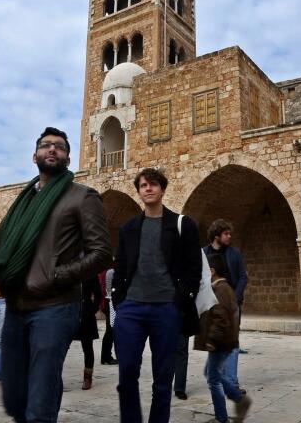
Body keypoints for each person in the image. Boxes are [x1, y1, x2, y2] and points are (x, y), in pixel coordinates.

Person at [0, 127, 111, 423]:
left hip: (54, 306)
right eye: (45, 145)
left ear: (68, 159)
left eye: (60, 147)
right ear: (35, 155)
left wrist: (57, 276)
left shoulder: (82, 197)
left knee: (39, 395)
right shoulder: (22, 202)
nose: (52, 149)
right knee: (15, 394)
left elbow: (102, 253)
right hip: (16, 305)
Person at [112, 167, 203, 423]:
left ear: (162, 189)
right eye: (143, 185)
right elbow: (119, 266)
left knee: (163, 378)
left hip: (166, 308)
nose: (148, 189)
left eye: (153, 184)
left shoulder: (182, 224)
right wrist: (120, 300)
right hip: (131, 308)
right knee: (127, 371)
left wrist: (180, 301)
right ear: (139, 191)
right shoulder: (129, 228)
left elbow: (193, 267)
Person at [194, 254, 253, 423]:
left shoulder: (220, 289)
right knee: (210, 373)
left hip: (220, 342)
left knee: (212, 378)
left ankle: (224, 414)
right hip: (225, 341)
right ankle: (237, 400)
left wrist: (212, 339)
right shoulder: (222, 287)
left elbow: (221, 318)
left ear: (211, 270)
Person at [202, 218, 249, 393]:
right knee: (215, 339)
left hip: (232, 303)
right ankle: (213, 374)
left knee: (233, 342)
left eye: (230, 233)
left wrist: (235, 298)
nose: (229, 236)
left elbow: (243, 277)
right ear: (216, 236)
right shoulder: (203, 254)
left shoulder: (234, 253)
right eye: (226, 233)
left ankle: (232, 382)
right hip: (212, 304)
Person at [75, 275, 103, 390]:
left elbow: (98, 295)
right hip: (69, 314)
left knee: (87, 346)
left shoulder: (91, 273)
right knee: (62, 347)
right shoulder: (68, 268)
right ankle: (57, 377)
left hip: (86, 315)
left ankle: (88, 377)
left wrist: (92, 310)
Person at [100, 266, 118, 365]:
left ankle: (106, 356)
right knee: (110, 331)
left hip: (109, 303)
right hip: (110, 303)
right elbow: (109, 290)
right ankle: (106, 357)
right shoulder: (111, 271)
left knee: (110, 331)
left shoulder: (108, 271)